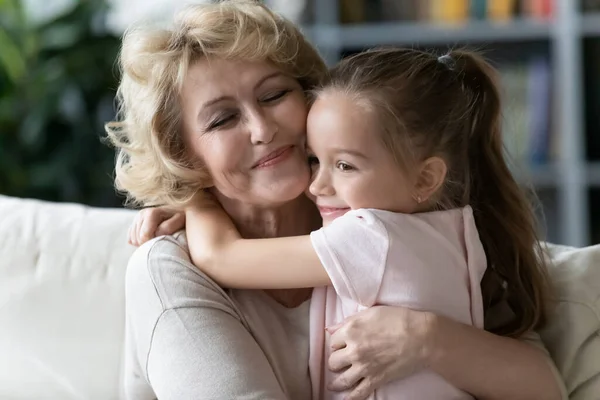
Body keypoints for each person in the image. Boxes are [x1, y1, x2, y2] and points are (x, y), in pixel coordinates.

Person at [112, 1, 567, 399]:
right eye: (222, 120)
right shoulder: (169, 265)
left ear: (313, 97)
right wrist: (196, 201)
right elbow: (220, 257)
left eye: (274, 95)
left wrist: (427, 338)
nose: (261, 129)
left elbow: (541, 383)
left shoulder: (385, 215)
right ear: (181, 153)